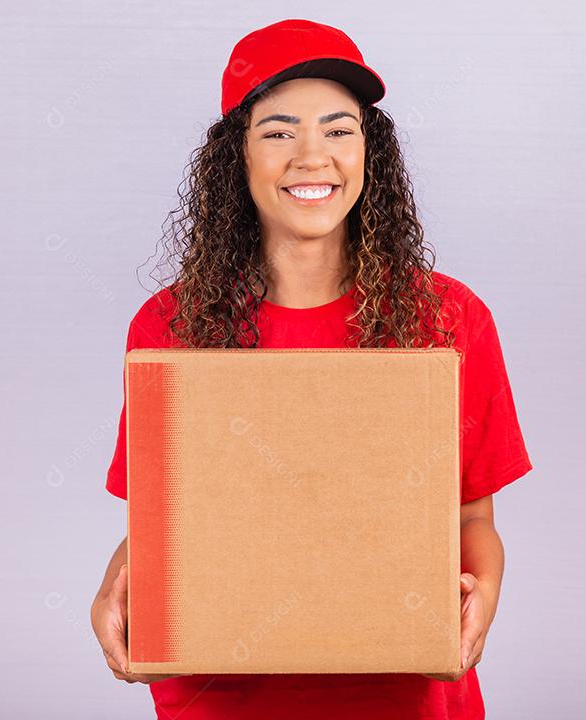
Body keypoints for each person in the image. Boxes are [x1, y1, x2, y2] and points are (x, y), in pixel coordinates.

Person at [90, 18, 533, 719]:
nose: (310, 156)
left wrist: (485, 591)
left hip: (402, 689)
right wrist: (113, 588)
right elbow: (162, 527)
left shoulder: (447, 320)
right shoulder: (170, 327)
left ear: (369, 149)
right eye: (277, 132)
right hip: (224, 693)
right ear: (235, 154)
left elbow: (473, 514)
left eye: (337, 129)